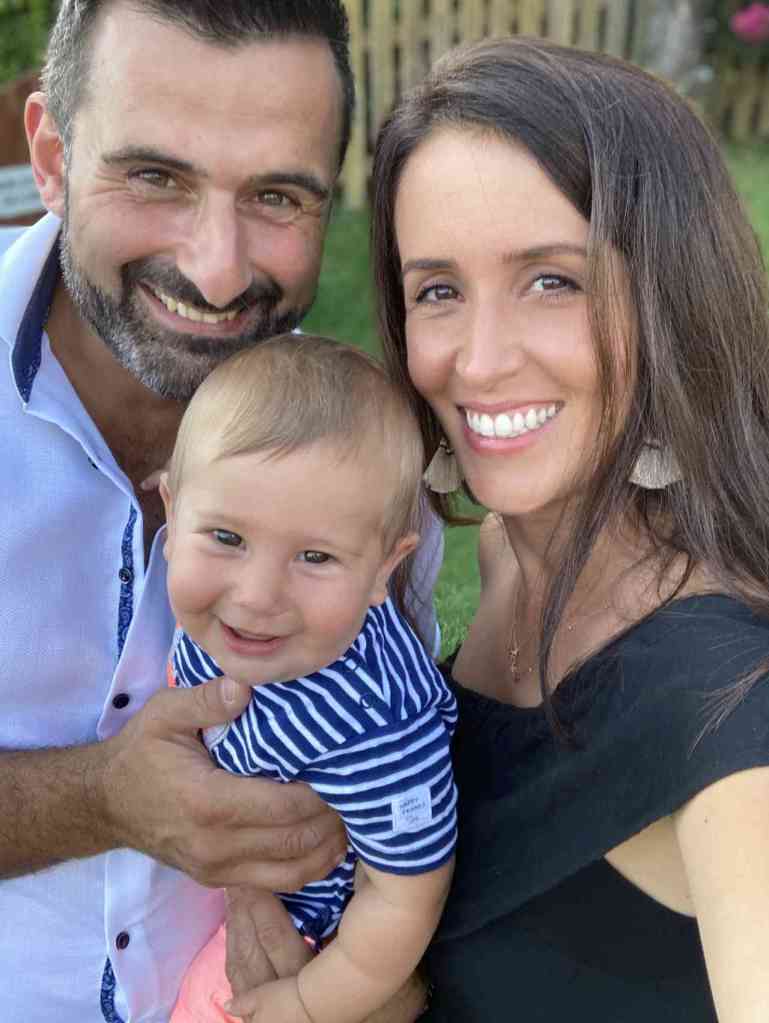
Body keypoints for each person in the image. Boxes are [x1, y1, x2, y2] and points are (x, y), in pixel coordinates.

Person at [0, 2, 441, 1020]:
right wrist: (99, 798)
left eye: (277, 196)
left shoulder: (367, 467)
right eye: (156, 177)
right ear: (53, 157)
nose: (217, 270)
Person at [366, 35, 769, 1023]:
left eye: (552, 280)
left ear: (671, 294)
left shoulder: (728, 703)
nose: (479, 361)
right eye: (438, 291)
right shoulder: (506, 552)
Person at [162, 335, 457, 1023]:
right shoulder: (217, 623)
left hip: (307, 946)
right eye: (227, 538)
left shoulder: (376, 728)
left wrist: (306, 1000)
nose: (257, 595)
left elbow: (406, 897)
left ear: (384, 570)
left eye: (315, 557)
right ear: (172, 516)